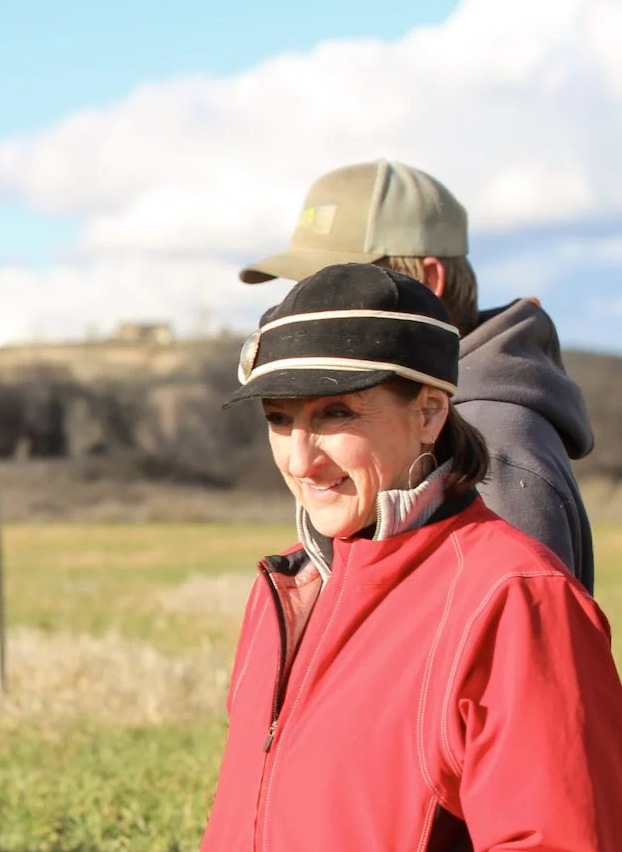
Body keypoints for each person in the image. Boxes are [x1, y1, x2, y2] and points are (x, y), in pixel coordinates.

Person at [170, 262, 622, 852]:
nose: (302, 456)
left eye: (334, 413)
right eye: (278, 420)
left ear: (426, 413)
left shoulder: (506, 595)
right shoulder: (292, 593)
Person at [240, 159, 595, 588]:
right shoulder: (452, 421)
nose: (308, 313)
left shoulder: (493, 443)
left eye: (343, 286)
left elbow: (520, 629)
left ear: (430, 280)